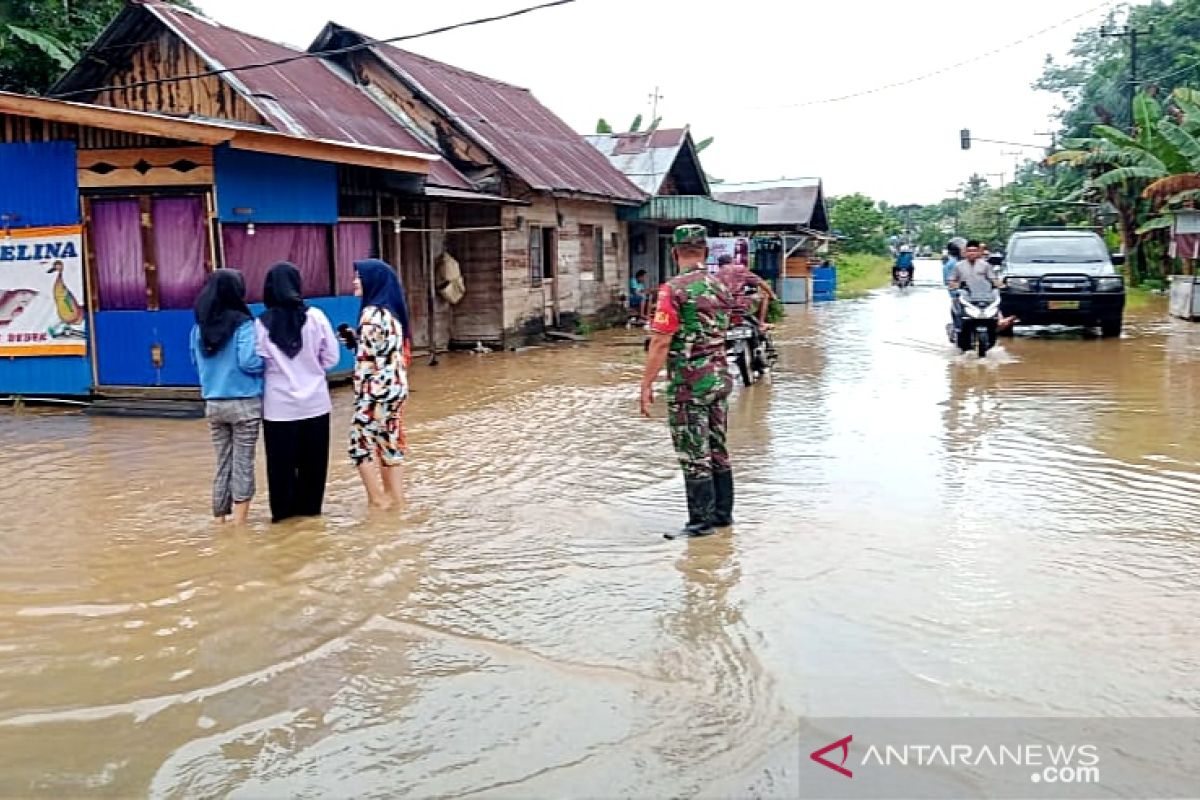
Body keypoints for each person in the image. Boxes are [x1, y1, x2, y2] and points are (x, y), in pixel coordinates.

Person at [640, 224, 737, 540]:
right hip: (720, 378)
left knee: (693, 451)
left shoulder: (673, 290)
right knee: (717, 446)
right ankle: (723, 516)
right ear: (706, 253)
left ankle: (700, 523)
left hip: (689, 384)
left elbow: (660, 342)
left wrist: (646, 385)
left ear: (674, 252)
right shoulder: (721, 287)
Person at [255, 262, 340, 523]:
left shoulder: (260, 324)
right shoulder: (316, 317)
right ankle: (311, 518)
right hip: (316, 404)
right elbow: (333, 358)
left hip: (278, 408)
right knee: (313, 469)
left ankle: (283, 522)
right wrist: (312, 369)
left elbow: (257, 361)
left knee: (280, 470)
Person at [190, 269, 263, 525]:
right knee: (243, 462)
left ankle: (220, 518)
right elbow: (249, 361)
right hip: (244, 404)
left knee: (223, 461)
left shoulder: (199, 328)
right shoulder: (243, 324)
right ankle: (240, 521)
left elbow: (195, 361)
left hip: (213, 403)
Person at [344, 259, 410, 511]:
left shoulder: (370, 314)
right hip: (396, 389)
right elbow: (384, 352)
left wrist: (361, 396)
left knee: (358, 444)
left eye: (359, 277)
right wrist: (357, 341)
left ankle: (377, 500)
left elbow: (367, 362)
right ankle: (397, 500)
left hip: (375, 392)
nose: (354, 281)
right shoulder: (391, 314)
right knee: (389, 443)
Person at [717, 254, 776, 329]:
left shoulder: (716, 275)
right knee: (764, 295)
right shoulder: (739, 269)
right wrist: (772, 295)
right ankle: (761, 324)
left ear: (719, 265)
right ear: (732, 262)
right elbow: (760, 282)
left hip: (723, 308)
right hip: (739, 305)